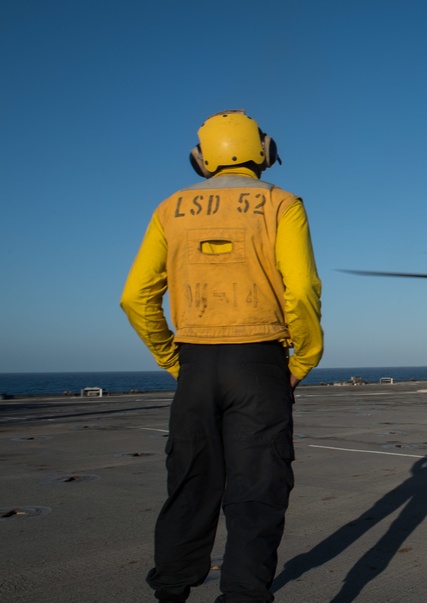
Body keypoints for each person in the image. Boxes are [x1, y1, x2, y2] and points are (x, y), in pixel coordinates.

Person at [120, 109, 324, 602]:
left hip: (196, 364)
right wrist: (303, 359)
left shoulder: (170, 207)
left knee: (189, 487)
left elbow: (135, 297)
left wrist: (173, 359)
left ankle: (170, 592)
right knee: (257, 494)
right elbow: (301, 291)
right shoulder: (282, 203)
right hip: (259, 364)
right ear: (265, 150)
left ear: (200, 158)